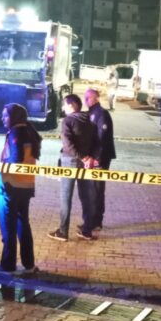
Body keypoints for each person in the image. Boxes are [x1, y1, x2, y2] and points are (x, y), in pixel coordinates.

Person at [0, 103, 41, 276]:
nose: (3, 118)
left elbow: (15, 158)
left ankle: (8, 265)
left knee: (8, 228)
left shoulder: (15, 133)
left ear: (14, 117)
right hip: (25, 186)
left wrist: (0, 168)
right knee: (23, 225)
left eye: (5, 115)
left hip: (10, 186)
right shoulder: (29, 132)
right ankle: (29, 264)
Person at [48, 94, 98, 242]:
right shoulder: (89, 120)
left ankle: (63, 231)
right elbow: (95, 141)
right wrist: (88, 157)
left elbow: (68, 144)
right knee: (86, 196)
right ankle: (86, 230)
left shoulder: (68, 121)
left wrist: (82, 157)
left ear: (71, 105)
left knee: (65, 197)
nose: (63, 107)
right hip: (85, 163)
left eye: (64, 105)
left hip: (70, 162)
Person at [85, 88, 116, 237]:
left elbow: (101, 138)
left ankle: (96, 221)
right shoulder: (91, 113)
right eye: (85, 97)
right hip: (94, 157)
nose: (86, 100)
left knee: (96, 190)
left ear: (96, 98)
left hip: (100, 158)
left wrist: (96, 158)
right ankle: (92, 220)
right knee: (92, 190)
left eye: (88, 97)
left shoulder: (101, 114)